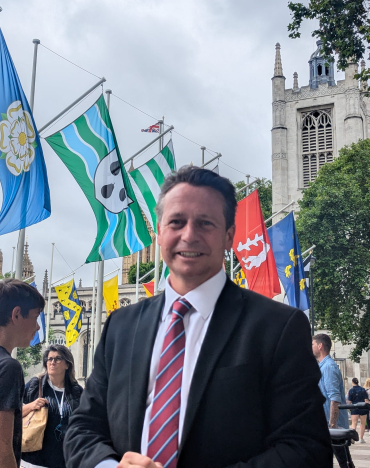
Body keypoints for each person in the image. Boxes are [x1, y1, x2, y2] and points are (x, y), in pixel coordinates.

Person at [64, 166, 332, 468]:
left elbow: (306, 448)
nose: (189, 235)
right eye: (176, 222)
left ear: (229, 237)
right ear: (161, 231)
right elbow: (83, 429)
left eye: (205, 223)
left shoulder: (279, 327)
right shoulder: (121, 326)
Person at [0, 279, 45, 468]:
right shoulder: (8, 367)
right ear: (16, 314)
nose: (38, 327)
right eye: (35, 317)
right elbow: (1, 448)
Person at [21, 344, 83, 468]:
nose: (52, 362)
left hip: (65, 460)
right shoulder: (35, 385)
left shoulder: (77, 391)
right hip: (35, 460)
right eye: (49, 359)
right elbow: (14, 413)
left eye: (57, 359)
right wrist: (31, 406)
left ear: (67, 365)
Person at [312, 333, 353, 467]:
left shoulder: (328, 367)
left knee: (343, 461)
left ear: (320, 346)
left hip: (332, 426)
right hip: (327, 424)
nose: (310, 347)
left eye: (312, 344)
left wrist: (332, 425)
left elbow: (334, 398)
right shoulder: (323, 366)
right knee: (343, 461)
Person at [347, 377, 369, 443]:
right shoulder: (363, 390)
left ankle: (353, 438)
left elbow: (349, 401)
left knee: (354, 423)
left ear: (352, 382)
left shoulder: (351, 390)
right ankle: (361, 438)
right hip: (363, 408)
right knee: (362, 424)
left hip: (354, 408)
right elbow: (366, 400)